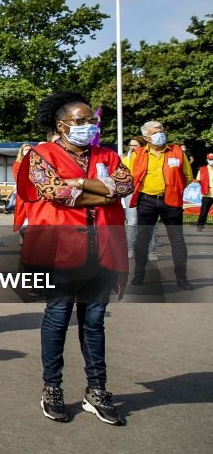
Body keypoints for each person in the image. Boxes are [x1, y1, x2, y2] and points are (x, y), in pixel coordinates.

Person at [17, 92, 133, 425]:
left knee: (94, 321)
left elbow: (126, 184)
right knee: (58, 315)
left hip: (104, 247)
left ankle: (97, 390)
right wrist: (101, 190)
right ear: (61, 124)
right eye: (80, 121)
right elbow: (56, 192)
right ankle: (52, 386)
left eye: (91, 121)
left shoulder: (107, 154)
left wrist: (80, 183)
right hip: (62, 247)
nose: (87, 127)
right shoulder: (41, 154)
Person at [125, 120, 194, 289]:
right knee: (142, 239)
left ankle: (182, 278)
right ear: (146, 137)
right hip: (146, 201)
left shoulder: (177, 151)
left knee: (177, 240)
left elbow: (188, 176)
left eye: (162, 131)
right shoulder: (138, 154)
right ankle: (139, 274)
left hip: (171, 202)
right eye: (155, 132)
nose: (160, 134)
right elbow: (128, 176)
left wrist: (175, 190)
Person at [122, 136, 157, 259]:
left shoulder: (151, 158)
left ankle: (151, 250)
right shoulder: (126, 159)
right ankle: (130, 249)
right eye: (130, 145)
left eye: (135, 145)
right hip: (132, 192)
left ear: (142, 146)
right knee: (132, 221)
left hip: (147, 192)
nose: (132, 148)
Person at [195, 152, 213, 231]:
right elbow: (198, 180)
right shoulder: (202, 169)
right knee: (203, 212)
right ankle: (200, 226)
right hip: (207, 194)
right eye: (210, 159)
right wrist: (204, 186)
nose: (211, 161)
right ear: (207, 160)